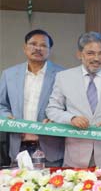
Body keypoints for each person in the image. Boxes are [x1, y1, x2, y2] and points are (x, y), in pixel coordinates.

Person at [46, 32, 101, 168]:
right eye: (90, 53)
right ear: (79, 55)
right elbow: (52, 109)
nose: (96, 58)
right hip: (75, 156)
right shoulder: (63, 77)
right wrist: (71, 118)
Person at [0, 29, 64, 166]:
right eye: (33, 44)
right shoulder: (9, 74)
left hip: (50, 147)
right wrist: (7, 116)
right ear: (25, 48)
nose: (38, 48)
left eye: (43, 45)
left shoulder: (63, 75)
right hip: (18, 145)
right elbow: (1, 104)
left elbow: (69, 107)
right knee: (18, 186)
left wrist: (57, 118)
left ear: (50, 50)